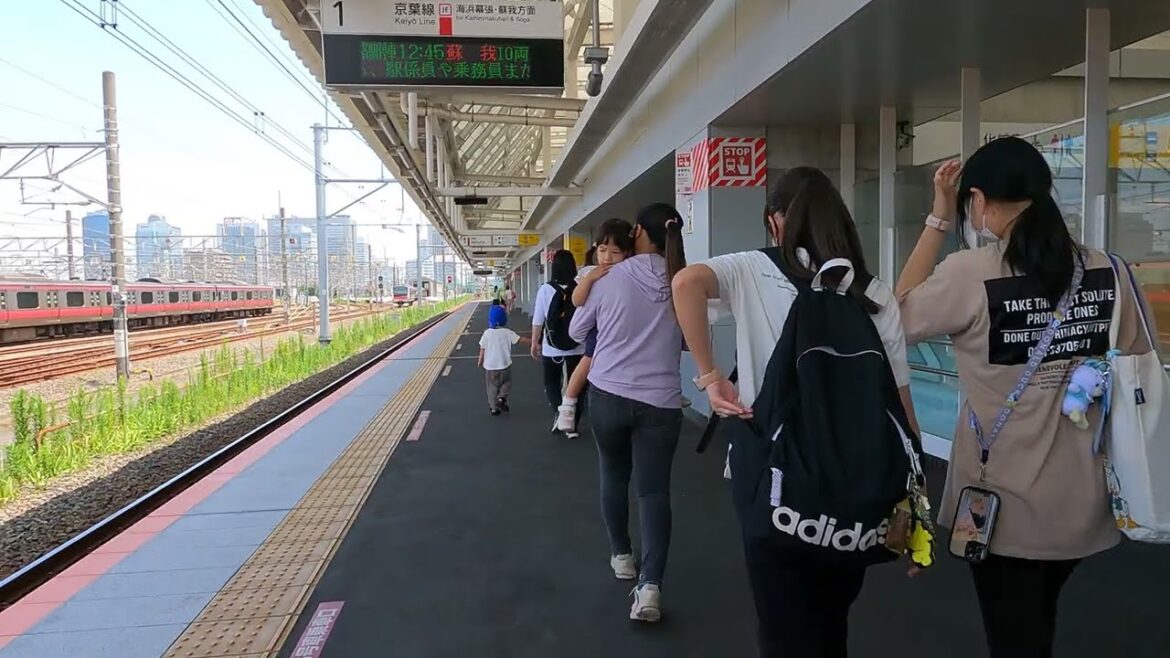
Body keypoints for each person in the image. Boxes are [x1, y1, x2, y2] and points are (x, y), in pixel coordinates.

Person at [895, 137, 1154, 658]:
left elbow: (894, 318)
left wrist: (937, 220)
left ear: (979, 200)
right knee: (1036, 621)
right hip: (1084, 503)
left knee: (1013, 635)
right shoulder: (1110, 269)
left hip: (996, 508)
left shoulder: (972, 272)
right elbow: (1135, 362)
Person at [672, 167, 918, 657]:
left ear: (775, 221)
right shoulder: (871, 291)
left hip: (773, 473)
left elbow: (685, 283)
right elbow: (900, 402)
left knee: (781, 626)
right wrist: (913, 505)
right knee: (831, 622)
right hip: (855, 479)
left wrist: (710, 376)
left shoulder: (752, 268)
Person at [569, 203, 687, 623]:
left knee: (613, 474)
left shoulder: (610, 278)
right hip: (662, 402)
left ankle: (622, 555)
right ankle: (651, 585)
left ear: (636, 232)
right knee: (654, 492)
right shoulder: (681, 280)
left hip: (609, 394)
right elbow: (692, 338)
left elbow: (576, 331)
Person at [556, 220, 635, 433]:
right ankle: (568, 404)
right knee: (587, 360)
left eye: (615, 252)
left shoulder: (633, 272)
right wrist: (589, 280)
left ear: (627, 253)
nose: (607, 257)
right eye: (602, 250)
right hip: (599, 328)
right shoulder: (590, 272)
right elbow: (577, 301)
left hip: (623, 326)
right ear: (595, 248)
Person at [531, 250, 588, 437]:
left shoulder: (545, 289)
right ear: (573, 266)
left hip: (551, 346)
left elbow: (538, 320)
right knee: (577, 385)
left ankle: (558, 413)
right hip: (578, 345)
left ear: (553, 267)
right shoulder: (581, 286)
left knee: (552, 382)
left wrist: (535, 343)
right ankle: (572, 425)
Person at [478, 304, 529, 415]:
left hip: (490, 368)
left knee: (491, 388)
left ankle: (494, 408)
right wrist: (533, 342)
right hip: (505, 366)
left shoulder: (487, 333)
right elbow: (520, 339)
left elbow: (482, 348)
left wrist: (480, 361)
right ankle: (501, 398)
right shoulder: (507, 332)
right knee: (507, 383)